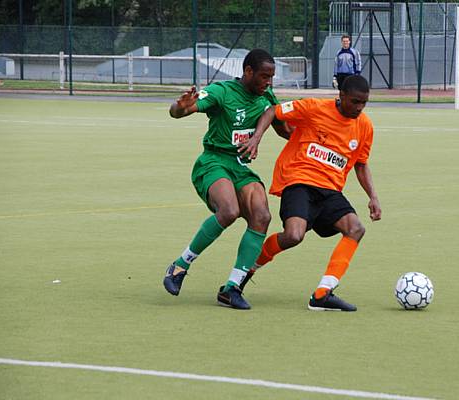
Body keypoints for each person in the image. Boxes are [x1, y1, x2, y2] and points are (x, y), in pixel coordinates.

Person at [237, 75, 381, 312]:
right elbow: (273, 111)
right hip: (300, 181)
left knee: (355, 229)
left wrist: (373, 197)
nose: (359, 108)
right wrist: (256, 138)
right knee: (294, 235)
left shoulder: (365, 126)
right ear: (341, 96)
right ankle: (248, 267)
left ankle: (323, 294)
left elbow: (361, 164)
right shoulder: (314, 107)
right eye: (355, 102)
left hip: (330, 190)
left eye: (364, 103)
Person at [163, 49, 291, 310]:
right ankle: (180, 265)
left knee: (262, 216)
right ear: (248, 72)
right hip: (214, 162)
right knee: (229, 210)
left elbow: (284, 129)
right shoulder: (222, 91)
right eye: (265, 76)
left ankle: (231, 288)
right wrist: (179, 107)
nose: (269, 82)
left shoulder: (266, 95)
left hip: (241, 167)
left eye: (272, 77)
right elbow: (181, 110)